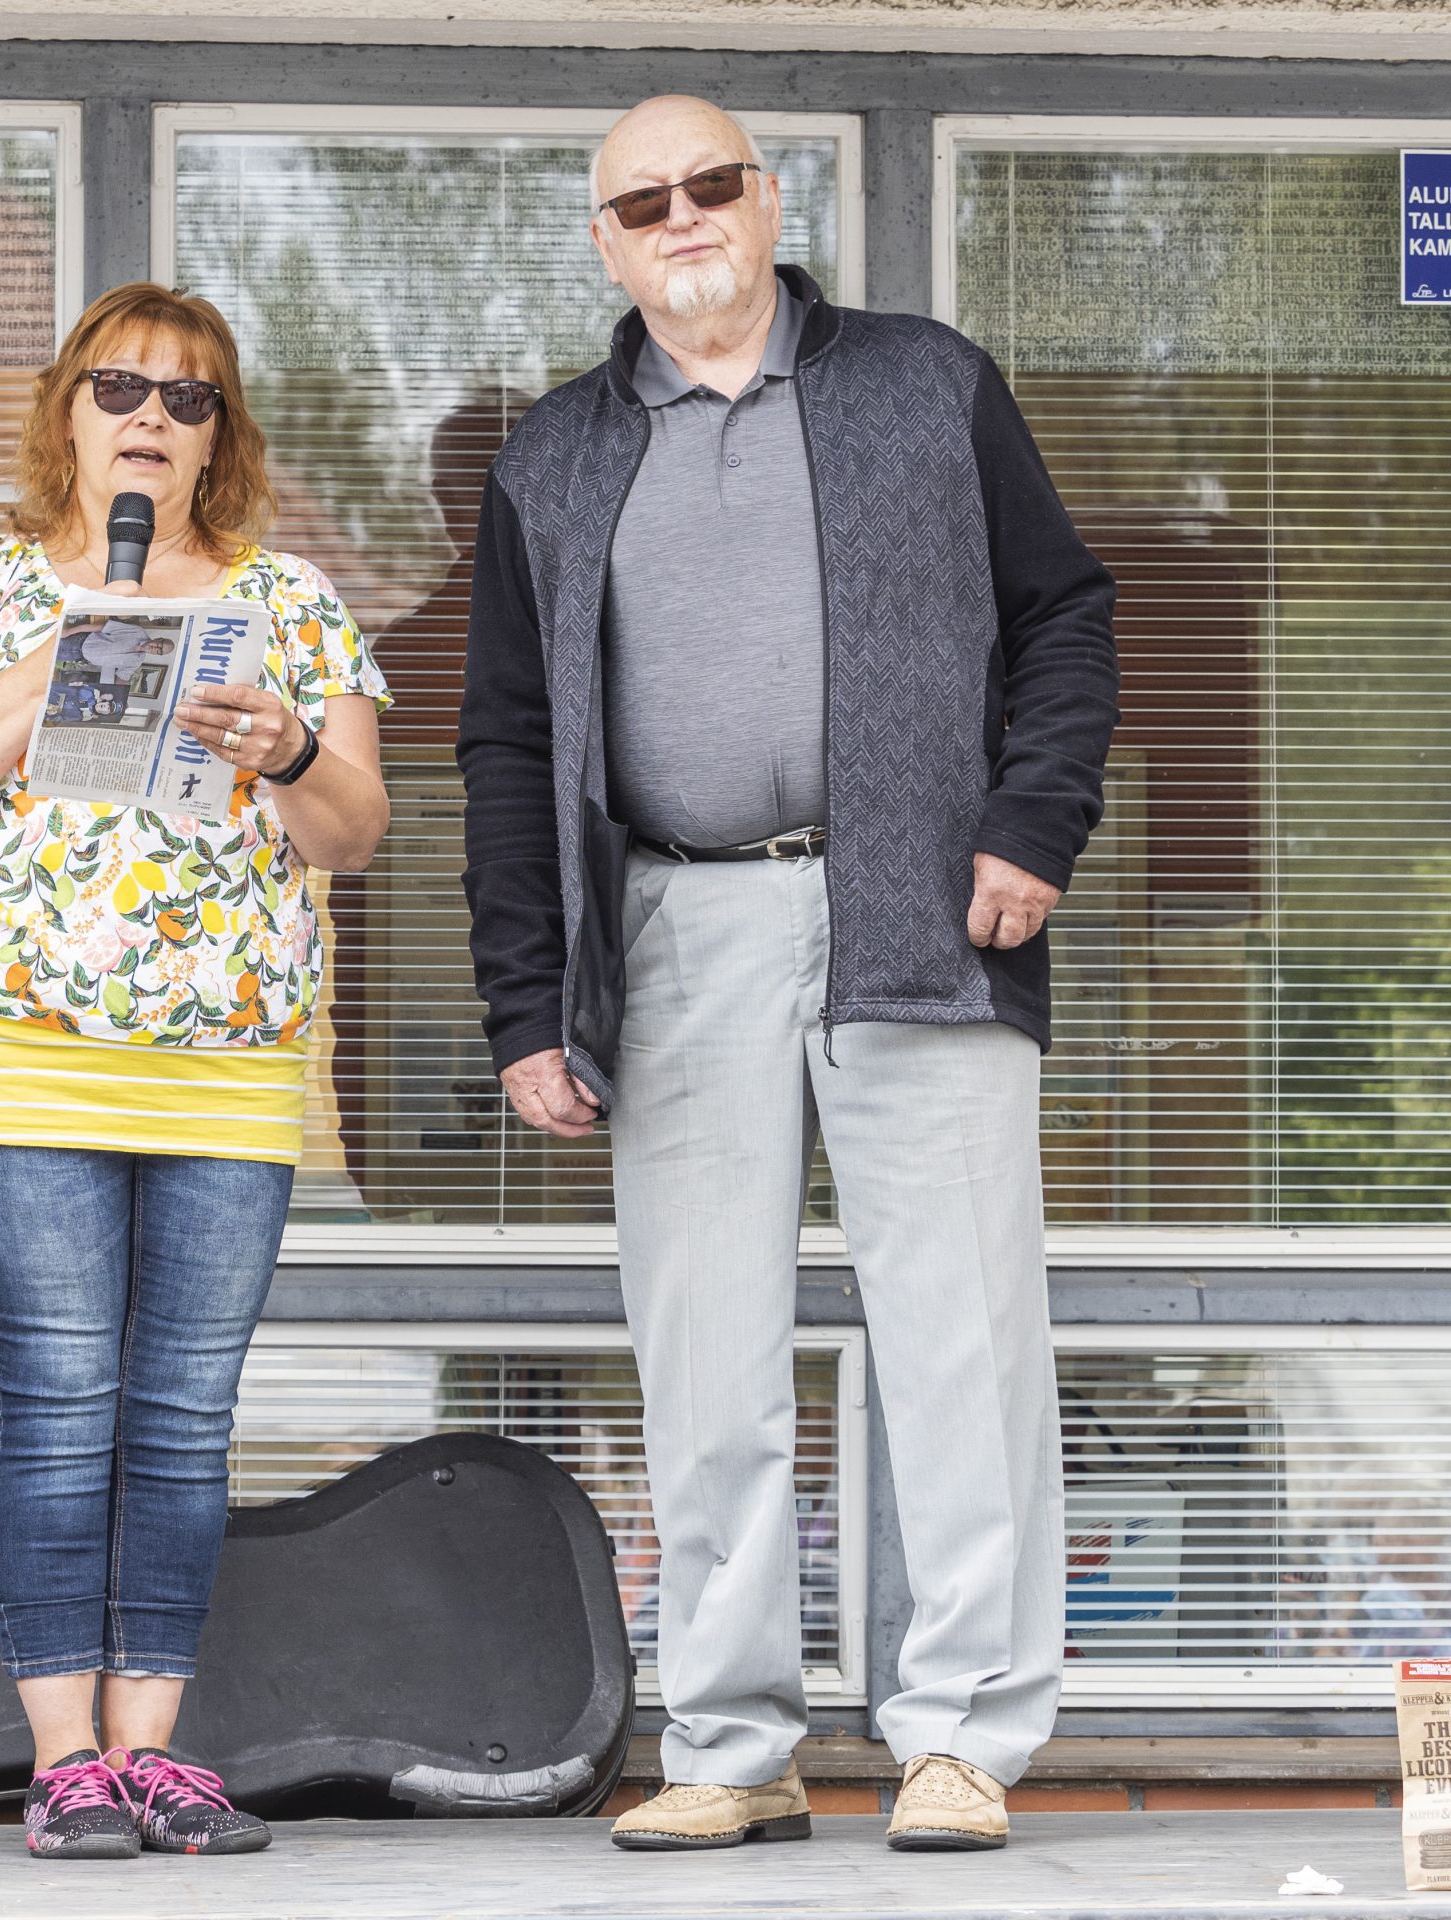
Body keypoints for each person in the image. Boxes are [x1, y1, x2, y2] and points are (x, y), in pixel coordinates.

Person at [460, 96, 1117, 1854]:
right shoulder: (556, 455)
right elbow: (510, 741)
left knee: (964, 1341)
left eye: (711, 185)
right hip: (672, 935)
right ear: (604, 242)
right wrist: (529, 1000)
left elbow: (1067, 613)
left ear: (769, 200)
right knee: (704, 1356)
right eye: (640, 202)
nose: (682, 219)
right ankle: (734, 1743)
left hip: (922, 908)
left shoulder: (928, 382)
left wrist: (1032, 825)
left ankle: (963, 1735)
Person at [0, 282, 389, 1861]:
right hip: (27, 1063)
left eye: (189, 398)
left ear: (222, 434)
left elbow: (354, 834)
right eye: (120, 389)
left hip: (227, 1064)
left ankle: (152, 1750)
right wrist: (55, 667)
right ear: (66, 411)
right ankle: (62, 1757)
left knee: (181, 1414)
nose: (151, 418)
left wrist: (287, 752)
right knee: (59, 1402)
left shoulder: (288, 600)